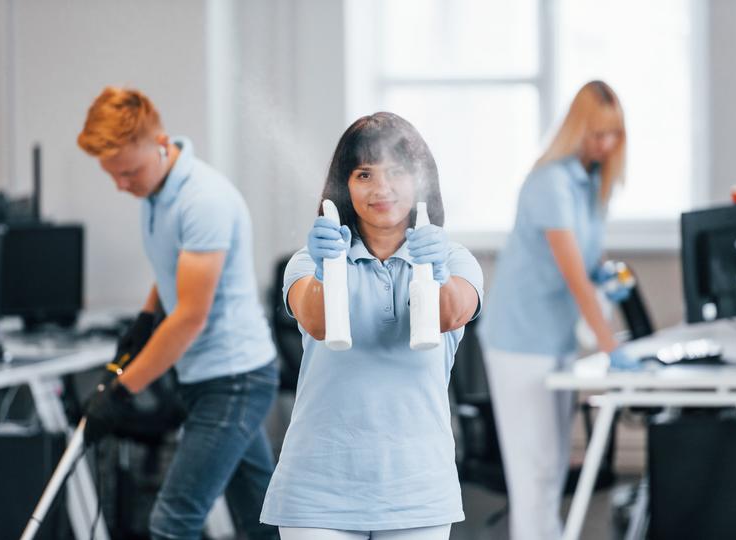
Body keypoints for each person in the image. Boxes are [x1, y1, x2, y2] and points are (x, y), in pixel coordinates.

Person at [260, 112, 483, 540]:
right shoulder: (309, 261)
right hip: (317, 489)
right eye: (364, 173)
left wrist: (434, 270)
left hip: (417, 489)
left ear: (421, 180)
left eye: (397, 172)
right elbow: (317, 321)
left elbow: (452, 314)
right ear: (344, 187)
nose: (381, 188)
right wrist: (328, 270)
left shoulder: (454, 260)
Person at [77, 86, 279, 540]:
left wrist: (122, 392)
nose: (121, 186)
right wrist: (145, 321)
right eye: (113, 176)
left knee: (174, 521)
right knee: (262, 519)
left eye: (128, 173)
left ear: (160, 142)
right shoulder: (156, 191)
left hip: (234, 380)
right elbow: (173, 269)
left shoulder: (201, 200)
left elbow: (190, 315)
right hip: (207, 376)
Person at [478, 80, 630, 540]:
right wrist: (611, 348)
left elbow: (584, 265)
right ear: (577, 129)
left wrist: (604, 276)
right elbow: (574, 279)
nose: (605, 143)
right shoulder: (551, 182)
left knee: (553, 468)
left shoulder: (589, 184)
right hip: (520, 341)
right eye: (597, 133)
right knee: (535, 474)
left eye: (613, 134)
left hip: (556, 336)